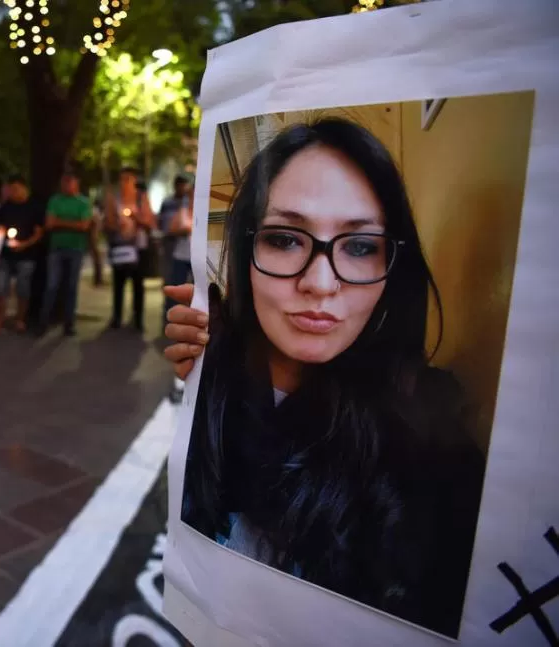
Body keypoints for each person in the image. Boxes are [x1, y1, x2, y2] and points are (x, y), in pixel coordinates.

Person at [163, 118, 484, 638]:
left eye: (359, 246)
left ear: (391, 264)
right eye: (285, 239)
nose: (319, 283)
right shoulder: (208, 375)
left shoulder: (432, 444)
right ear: (246, 255)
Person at [37, 169, 93, 337]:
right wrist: (73, 223)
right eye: (64, 182)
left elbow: (84, 226)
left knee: (71, 286)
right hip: (57, 248)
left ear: (76, 183)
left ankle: (69, 323)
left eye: (70, 182)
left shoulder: (83, 202)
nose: (67, 185)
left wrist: (60, 222)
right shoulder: (55, 200)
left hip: (76, 248)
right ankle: (43, 321)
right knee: (52, 285)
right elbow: (49, 224)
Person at [104, 167, 154, 332]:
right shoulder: (114, 199)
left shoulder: (141, 198)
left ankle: (138, 319)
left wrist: (135, 218)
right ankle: (117, 316)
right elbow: (108, 222)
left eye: (128, 179)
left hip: (138, 248)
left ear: (134, 181)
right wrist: (118, 225)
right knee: (118, 283)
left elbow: (150, 223)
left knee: (138, 284)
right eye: (121, 179)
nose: (124, 183)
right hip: (120, 247)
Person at [0, 175, 43, 333]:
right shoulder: (5, 207)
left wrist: (24, 244)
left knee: (23, 287)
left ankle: (20, 319)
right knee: (1, 287)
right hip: (5, 254)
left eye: (15, 189)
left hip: (27, 255)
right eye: (10, 190)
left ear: (23, 188)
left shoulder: (34, 207)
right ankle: (0, 318)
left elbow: (39, 232)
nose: (12, 193)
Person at [158, 175, 193, 321]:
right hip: (180, 254)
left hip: (196, 256)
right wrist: (184, 231)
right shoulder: (182, 209)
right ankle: (170, 317)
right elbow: (169, 229)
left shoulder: (206, 211)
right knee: (175, 286)